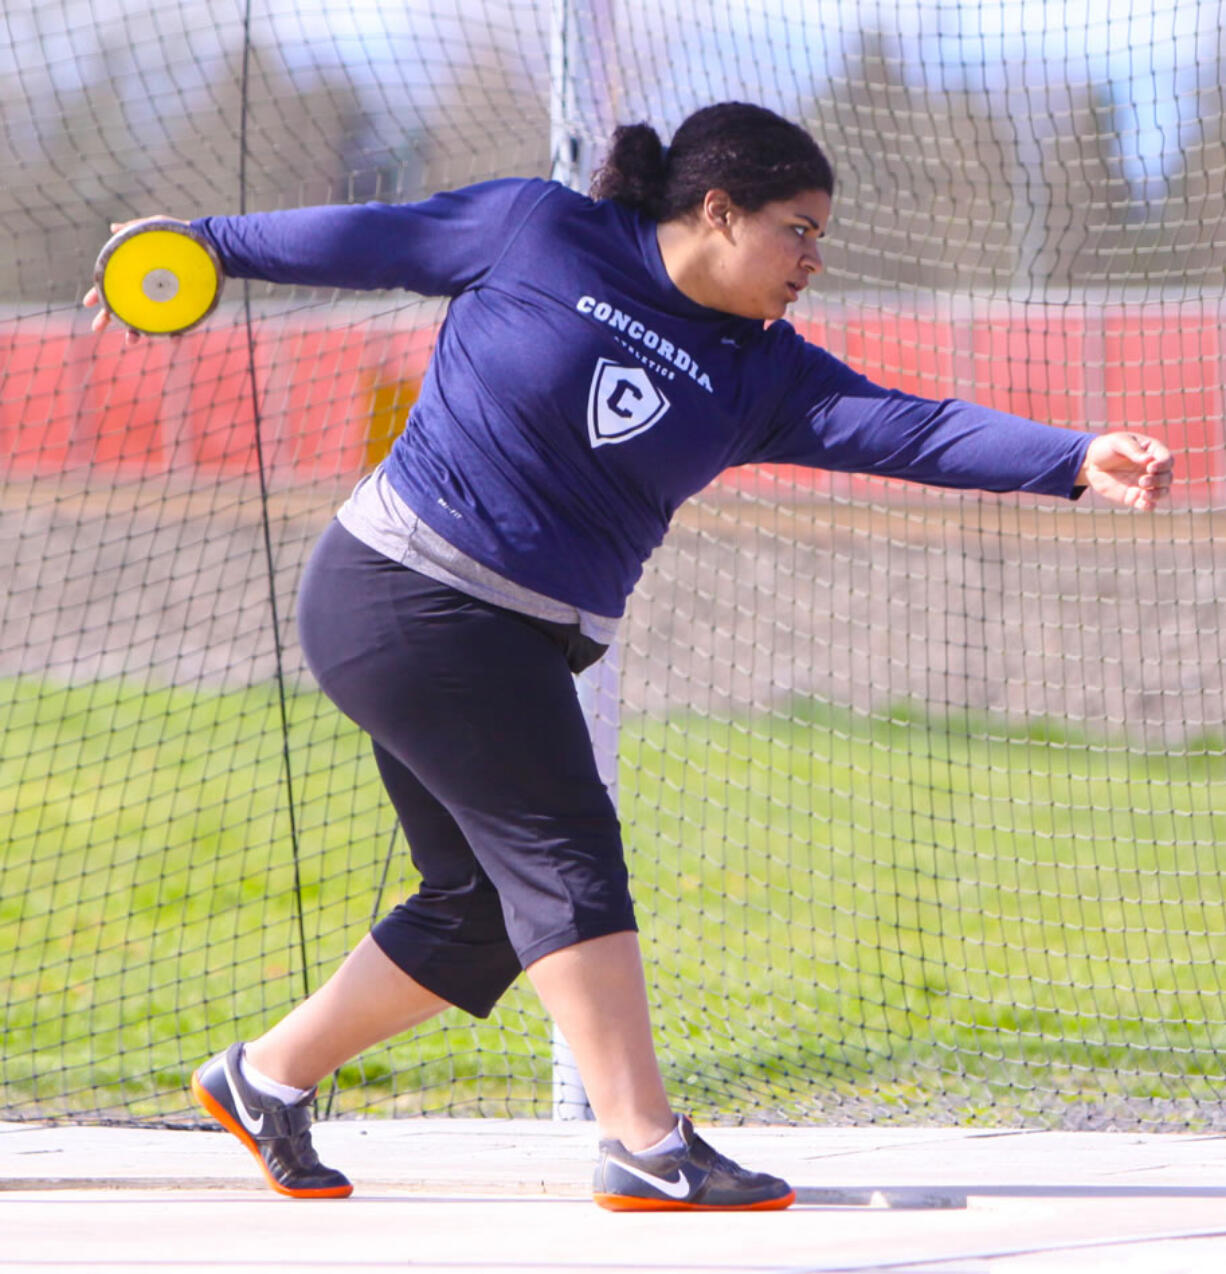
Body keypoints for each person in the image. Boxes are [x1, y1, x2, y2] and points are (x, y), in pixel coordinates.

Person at [84, 101, 1172, 1211]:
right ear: (716, 208)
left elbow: (915, 428)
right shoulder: (536, 233)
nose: (814, 256)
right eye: (796, 228)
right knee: (565, 856)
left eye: (818, 235)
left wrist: (1075, 457)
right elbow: (376, 236)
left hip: (501, 633)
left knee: (474, 913)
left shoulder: (764, 374)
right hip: (404, 591)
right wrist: (206, 245)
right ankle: (644, 1142)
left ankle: (263, 1077)